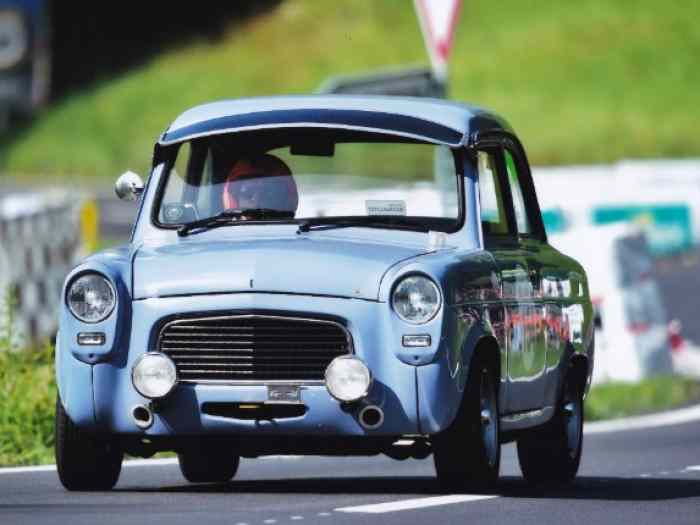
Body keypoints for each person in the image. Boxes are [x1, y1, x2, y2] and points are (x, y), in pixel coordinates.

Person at [222, 154, 298, 217]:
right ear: (235, 198)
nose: (256, 200)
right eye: (248, 194)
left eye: (266, 193)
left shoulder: (293, 229)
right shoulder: (222, 230)